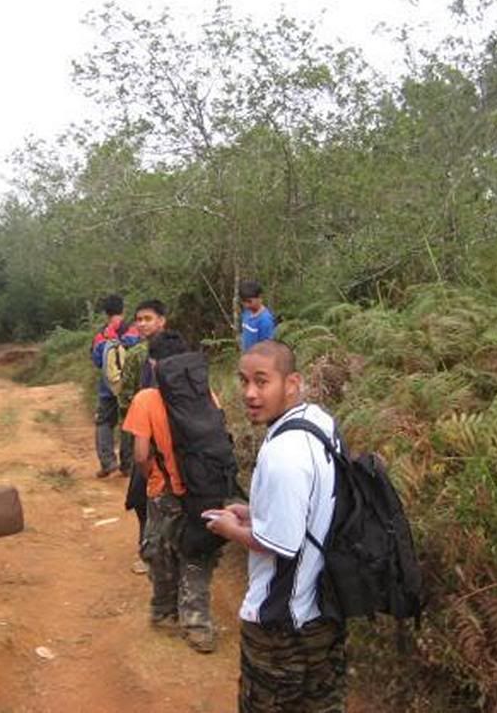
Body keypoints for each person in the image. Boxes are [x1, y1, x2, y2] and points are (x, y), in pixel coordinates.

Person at [206, 340, 346, 712]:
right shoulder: (320, 423)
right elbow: (311, 505)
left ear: (292, 382)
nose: (250, 393)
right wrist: (255, 512)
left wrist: (228, 527)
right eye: (243, 381)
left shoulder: (283, 452)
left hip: (279, 625)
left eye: (262, 381)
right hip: (325, 610)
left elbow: (280, 543)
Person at [122, 330, 219, 654]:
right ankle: (198, 626)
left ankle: (165, 612)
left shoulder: (146, 399)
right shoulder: (206, 394)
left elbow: (139, 453)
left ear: (153, 363)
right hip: (202, 489)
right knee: (197, 553)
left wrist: (155, 474)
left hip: (163, 491)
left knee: (161, 550)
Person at [117, 299, 168, 575]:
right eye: (139, 319)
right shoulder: (137, 355)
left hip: (169, 437)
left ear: (162, 320)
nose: (142, 323)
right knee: (141, 496)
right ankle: (148, 549)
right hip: (144, 434)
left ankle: (163, 553)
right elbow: (126, 394)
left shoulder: (175, 350)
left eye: (148, 318)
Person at [91, 294, 140, 478]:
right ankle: (127, 465)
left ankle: (108, 463)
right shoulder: (133, 331)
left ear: (106, 313)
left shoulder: (101, 334)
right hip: (128, 387)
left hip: (107, 387)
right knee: (128, 423)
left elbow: (97, 360)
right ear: (123, 309)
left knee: (104, 422)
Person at [239, 280, 276, 351]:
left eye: (249, 301)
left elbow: (267, 347)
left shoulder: (265, 321)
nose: (246, 305)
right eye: (244, 301)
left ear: (260, 298)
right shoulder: (246, 313)